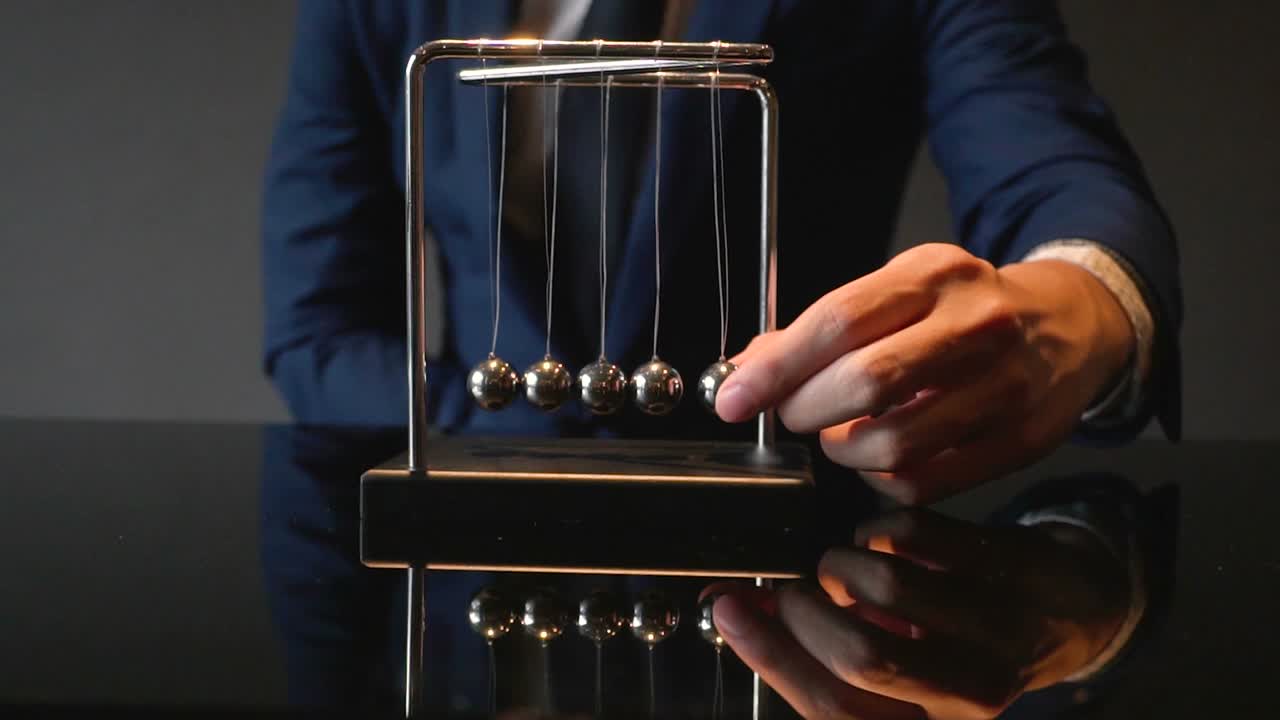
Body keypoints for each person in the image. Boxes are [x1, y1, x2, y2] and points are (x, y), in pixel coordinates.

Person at [261, 1, 1182, 717]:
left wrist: (1082, 308)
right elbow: (320, 332)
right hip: (477, 614)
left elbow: (1057, 173)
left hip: (788, 608)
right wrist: (486, 425)